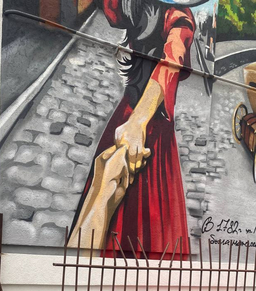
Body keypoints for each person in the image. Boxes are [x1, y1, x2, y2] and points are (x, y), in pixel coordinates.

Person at [68, 0, 209, 258]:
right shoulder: (135, 7)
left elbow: (170, 62)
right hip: (131, 118)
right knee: (105, 192)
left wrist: (138, 121)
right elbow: (113, 12)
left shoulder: (179, 18)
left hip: (145, 125)